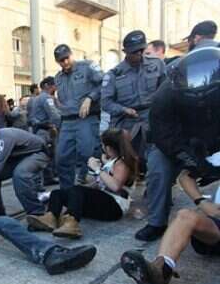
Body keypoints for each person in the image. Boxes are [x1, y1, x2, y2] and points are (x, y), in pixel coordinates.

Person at [135, 26, 219, 241]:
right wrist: (194, 163)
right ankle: (156, 222)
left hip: (215, 136)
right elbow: (165, 137)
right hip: (178, 138)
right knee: (158, 167)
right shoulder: (164, 96)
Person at [27, 128, 138, 238]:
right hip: (105, 201)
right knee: (58, 193)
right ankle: (50, 218)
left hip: (115, 207)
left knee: (77, 190)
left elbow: (115, 186)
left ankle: (72, 223)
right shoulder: (111, 161)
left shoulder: (122, 163)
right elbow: (101, 185)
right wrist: (87, 188)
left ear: (108, 147)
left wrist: (97, 169)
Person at [101, 30, 166, 167]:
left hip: (153, 117)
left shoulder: (157, 65)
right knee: (130, 161)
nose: (139, 54)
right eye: (135, 51)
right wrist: (124, 110)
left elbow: (166, 90)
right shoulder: (114, 74)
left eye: (141, 50)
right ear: (125, 52)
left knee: (156, 158)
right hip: (128, 122)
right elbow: (106, 102)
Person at [53, 44, 104, 188]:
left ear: (71, 55)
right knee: (62, 159)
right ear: (57, 62)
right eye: (61, 60)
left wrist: (90, 98)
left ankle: (99, 189)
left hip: (86, 119)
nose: (65, 62)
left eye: (67, 58)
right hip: (67, 122)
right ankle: (67, 193)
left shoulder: (87, 67)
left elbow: (104, 83)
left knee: (89, 156)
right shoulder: (58, 78)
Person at [0, 123, 48, 216]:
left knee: (20, 174)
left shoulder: (3, 138)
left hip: (36, 154)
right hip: (16, 158)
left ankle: (37, 212)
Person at [28, 76, 61, 186]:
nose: (55, 88)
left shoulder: (36, 98)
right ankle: (43, 180)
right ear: (47, 85)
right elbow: (54, 115)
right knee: (47, 154)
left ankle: (47, 177)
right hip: (45, 130)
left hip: (39, 129)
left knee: (44, 154)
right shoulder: (46, 98)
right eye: (54, 85)